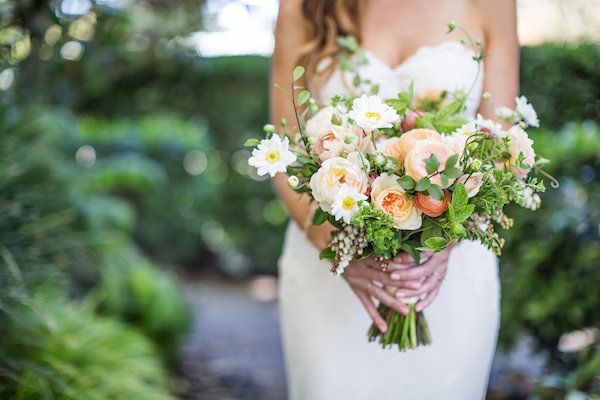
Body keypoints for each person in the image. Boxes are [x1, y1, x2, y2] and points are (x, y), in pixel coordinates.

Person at [272, 1, 518, 398]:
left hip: (446, 276)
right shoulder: (302, 7)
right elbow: (282, 156)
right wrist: (338, 250)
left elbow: (502, 147)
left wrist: (445, 237)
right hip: (328, 272)